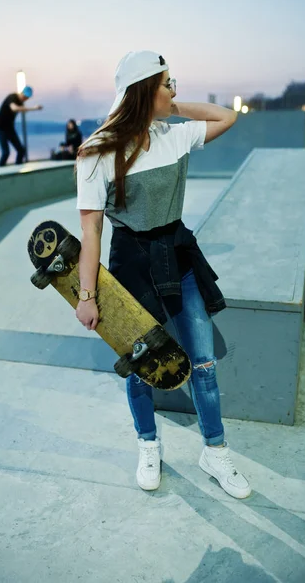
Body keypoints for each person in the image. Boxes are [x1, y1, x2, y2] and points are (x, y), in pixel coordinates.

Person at [75, 50, 251, 499]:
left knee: (204, 364)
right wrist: (87, 294)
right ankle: (148, 445)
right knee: (140, 369)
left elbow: (227, 117)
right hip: (131, 265)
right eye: (167, 83)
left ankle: (214, 451)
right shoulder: (97, 152)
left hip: (179, 254)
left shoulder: (172, 135)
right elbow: (91, 230)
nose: (175, 88)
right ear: (142, 91)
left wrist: (172, 105)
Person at [0, 86, 43, 166]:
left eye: (27, 98)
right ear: (21, 93)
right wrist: (33, 108)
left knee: (21, 150)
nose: (25, 99)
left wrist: (35, 109)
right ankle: (0, 171)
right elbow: (14, 108)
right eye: (24, 97)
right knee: (6, 152)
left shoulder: (21, 103)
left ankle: (17, 168)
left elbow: (22, 110)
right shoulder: (12, 97)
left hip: (9, 128)